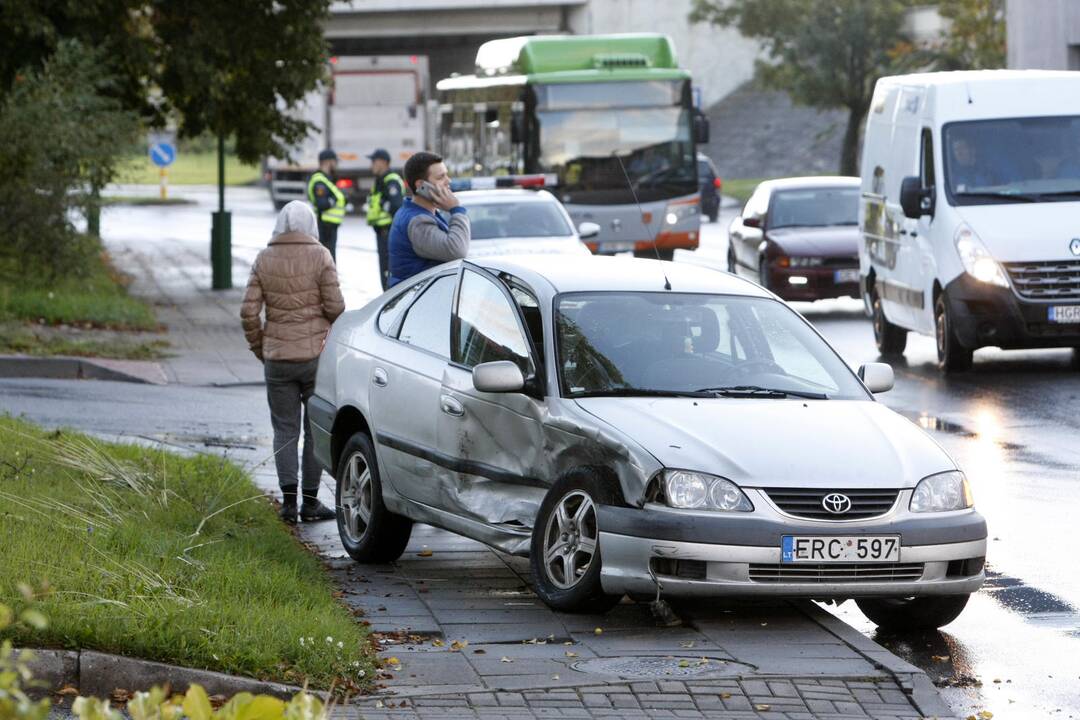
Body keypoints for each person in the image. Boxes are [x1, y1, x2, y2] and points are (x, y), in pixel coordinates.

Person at [240, 201, 345, 524]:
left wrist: (262, 347)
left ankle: (287, 503)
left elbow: (248, 312)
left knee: (284, 430)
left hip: (278, 360)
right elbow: (336, 308)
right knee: (315, 431)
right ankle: (311, 503)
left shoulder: (264, 258)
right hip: (314, 358)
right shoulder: (321, 256)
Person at [387, 151, 470, 287]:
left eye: (446, 175)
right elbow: (457, 250)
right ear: (421, 185)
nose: (448, 181)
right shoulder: (417, 221)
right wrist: (456, 209)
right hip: (417, 301)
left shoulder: (421, 213)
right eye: (441, 177)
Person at [365, 148, 405, 290]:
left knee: (388, 270)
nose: (371, 165)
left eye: (374, 161)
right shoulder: (379, 181)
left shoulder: (391, 180)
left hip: (388, 231)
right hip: (381, 231)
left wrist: (383, 204)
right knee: (384, 270)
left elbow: (396, 205)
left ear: (383, 162)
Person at [307, 149, 346, 261]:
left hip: (330, 226)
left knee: (329, 260)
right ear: (327, 162)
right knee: (326, 261)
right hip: (324, 226)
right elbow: (322, 204)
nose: (336, 164)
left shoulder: (327, 179)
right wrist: (334, 199)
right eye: (335, 161)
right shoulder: (320, 181)